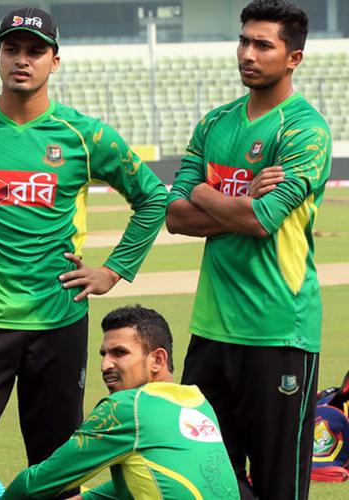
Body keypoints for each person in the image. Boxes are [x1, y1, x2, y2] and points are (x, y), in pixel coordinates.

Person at [0, 7, 168, 500]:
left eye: (35, 51)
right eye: (12, 49)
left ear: (54, 61)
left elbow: (152, 198)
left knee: (55, 469)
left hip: (58, 323)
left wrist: (113, 270)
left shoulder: (85, 136)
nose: (22, 60)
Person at [165, 1, 331, 498]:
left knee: (279, 484)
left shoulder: (304, 130)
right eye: (243, 41)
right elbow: (175, 218)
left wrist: (204, 192)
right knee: (208, 479)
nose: (248, 54)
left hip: (278, 329)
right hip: (211, 328)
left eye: (263, 45)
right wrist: (234, 201)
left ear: (293, 58)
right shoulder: (214, 123)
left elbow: (261, 220)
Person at [1, 305, 240, 499]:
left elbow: (37, 483)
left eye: (119, 353)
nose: (105, 365)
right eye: (104, 354)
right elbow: (141, 483)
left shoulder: (127, 407)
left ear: (157, 359)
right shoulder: (198, 403)